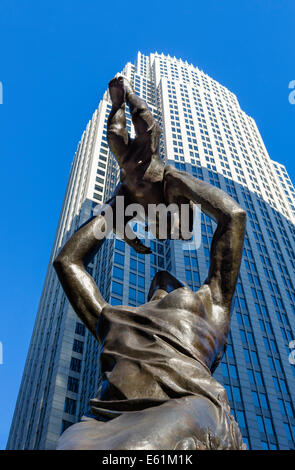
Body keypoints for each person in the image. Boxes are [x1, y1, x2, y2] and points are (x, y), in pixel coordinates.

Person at [53, 77, 247, 450]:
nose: (163, 281)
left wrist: (170, 178)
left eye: (178, 293)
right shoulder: (111, 319)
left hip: (184, 406)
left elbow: (232, 217)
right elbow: (68, 262)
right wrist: (118, 204)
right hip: (108, 416)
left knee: (136, 451)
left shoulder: (212, 307)